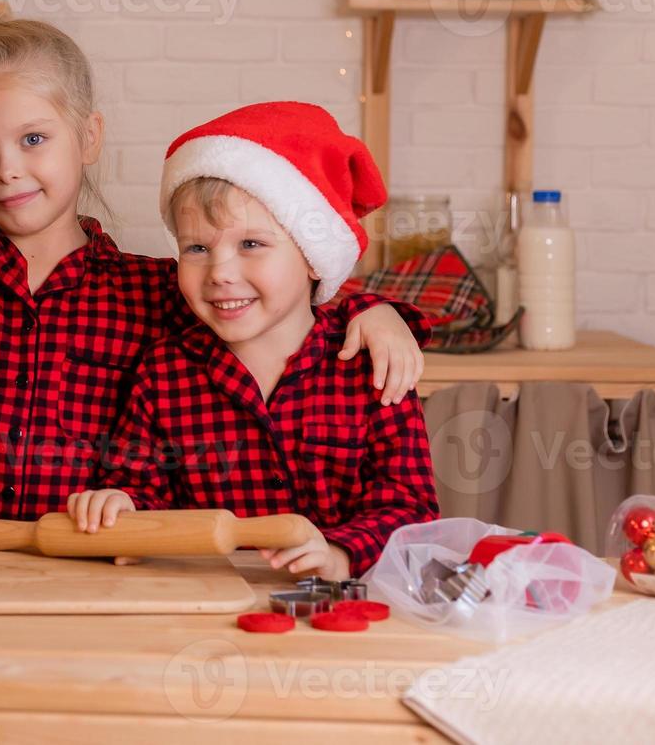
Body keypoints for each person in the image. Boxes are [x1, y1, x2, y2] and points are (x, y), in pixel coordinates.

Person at [0, 0, 426, 542]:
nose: (7, 169)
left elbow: (266, 308)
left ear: (87, 138)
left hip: (81, 569)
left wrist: (371, 309)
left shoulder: (151, 292)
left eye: (34, 139)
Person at [67, 102, 438, 579]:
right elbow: (138, 481)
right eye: (197, 248)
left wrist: (340, 554)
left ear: (312, 257)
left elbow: (410, 505)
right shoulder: (165, 372)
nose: (220, 273)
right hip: (209, 603)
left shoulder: (369, 367)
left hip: (343, 609)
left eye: (251, 245)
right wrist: (121, 502)